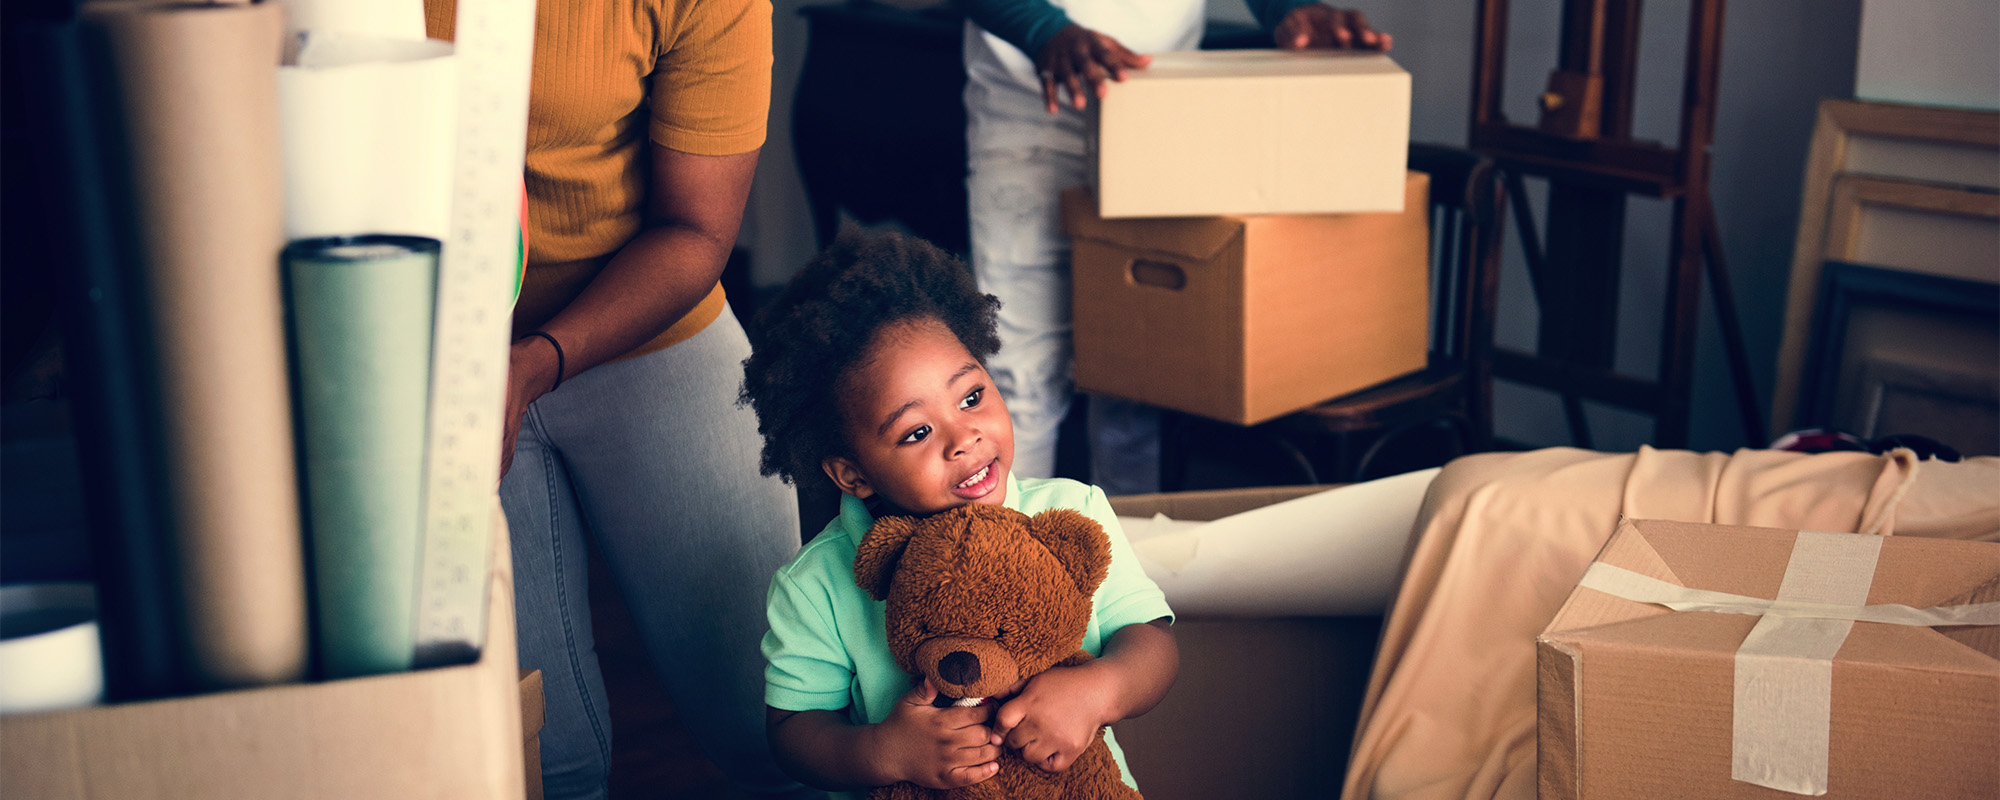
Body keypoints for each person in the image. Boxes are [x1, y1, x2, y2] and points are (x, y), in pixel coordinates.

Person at [422, 2, 819, 799]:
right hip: (423, 353)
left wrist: (536, 362)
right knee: (536, 755)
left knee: (775, 720)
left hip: (645, 322)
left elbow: (698, 231)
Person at [738, 232, 1179, 797]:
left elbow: (1153, 642)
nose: (964, 437)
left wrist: (1101, 690)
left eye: (970, 397)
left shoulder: (1071, 510)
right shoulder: (816, 583)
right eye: (917, 432)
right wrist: (883, 750)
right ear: (853, 474)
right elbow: (793, 731)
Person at [958, 0, 1392, 495]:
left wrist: (1287, 9)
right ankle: (1013, 561)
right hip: (1028, 112)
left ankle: (1124, 560)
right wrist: (1042, 30)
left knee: (1138, 372)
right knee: (1019, 373)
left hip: (1157, 110)